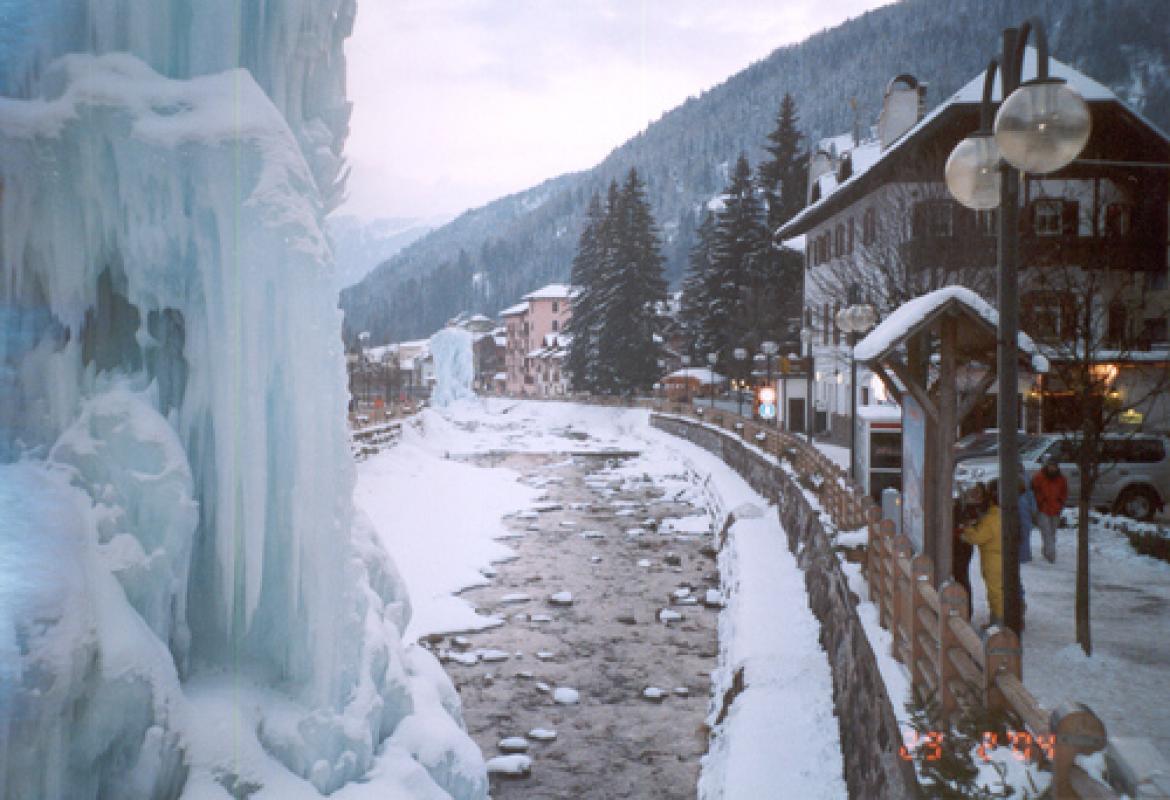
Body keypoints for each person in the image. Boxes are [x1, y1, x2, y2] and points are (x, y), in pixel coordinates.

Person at [961, 481, 1003, 626]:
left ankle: (999, 622)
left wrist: (966, 530)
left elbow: (978, 537)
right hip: (996, 557)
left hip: (993, 559)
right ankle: (996, 621)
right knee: (997, 590)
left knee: (995, 592)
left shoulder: (992, 518)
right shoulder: (998, 515)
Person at [1031, 455, 1068, 563]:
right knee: (1046, 532)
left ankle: (1046, 550)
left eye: (1054, 466)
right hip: (1043, 509)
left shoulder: (1061, 479)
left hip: (1056, 509)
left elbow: (1064, 492)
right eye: (1050, 466)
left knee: (1052, 532)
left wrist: (1061, 502)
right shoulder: (1038, 477)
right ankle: (1051, 555)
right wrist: (1040, 502)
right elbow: (1034, 491)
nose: (1052, 468)